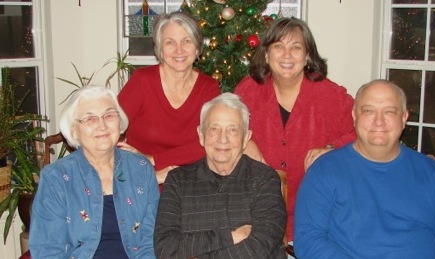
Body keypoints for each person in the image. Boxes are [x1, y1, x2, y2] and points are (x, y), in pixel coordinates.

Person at [294, 79, 435, 258]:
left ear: (404, 118)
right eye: (369, 111)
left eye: (389, 112)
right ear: (355, 116)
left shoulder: (432, 174)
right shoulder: (324, 172)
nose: (379, 122)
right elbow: (309, 241)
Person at [234, 17, 355, 241]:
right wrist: (244, 141)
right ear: (267, 54)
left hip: (317, 216)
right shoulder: (248, 91)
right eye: (278, 46)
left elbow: (364, 133)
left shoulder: (331, 96)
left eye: (296, 47)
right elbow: (226, 127)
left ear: (307, 55)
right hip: (256, 215)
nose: (287, 55)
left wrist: (332, 148)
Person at [29, 86, 160, 258]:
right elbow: (47, 249)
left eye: (109, 115)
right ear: (74, 130)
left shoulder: (141, 169)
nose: (102, 125)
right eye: (90, 119)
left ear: (119, 122)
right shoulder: (56, 178)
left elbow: (151, 241)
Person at [153, 93, 287, 258]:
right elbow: (165, 248)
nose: (222, 139)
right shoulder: (177, 181)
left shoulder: (265, 179)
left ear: (246, 138)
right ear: (201, 135)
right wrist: (231, 236)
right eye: (214, 129)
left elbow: (259, 248)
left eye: (232, 130)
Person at [118, 11, 220, 184]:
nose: (179, 50)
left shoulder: (208, 88)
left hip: (190, 182)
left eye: (186, 41)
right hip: (142, 180)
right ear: (160, 49)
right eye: (170, 42)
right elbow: (110, 127)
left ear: (197, 48)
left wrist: (153, 159)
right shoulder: (142, 81)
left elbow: (212, 142)